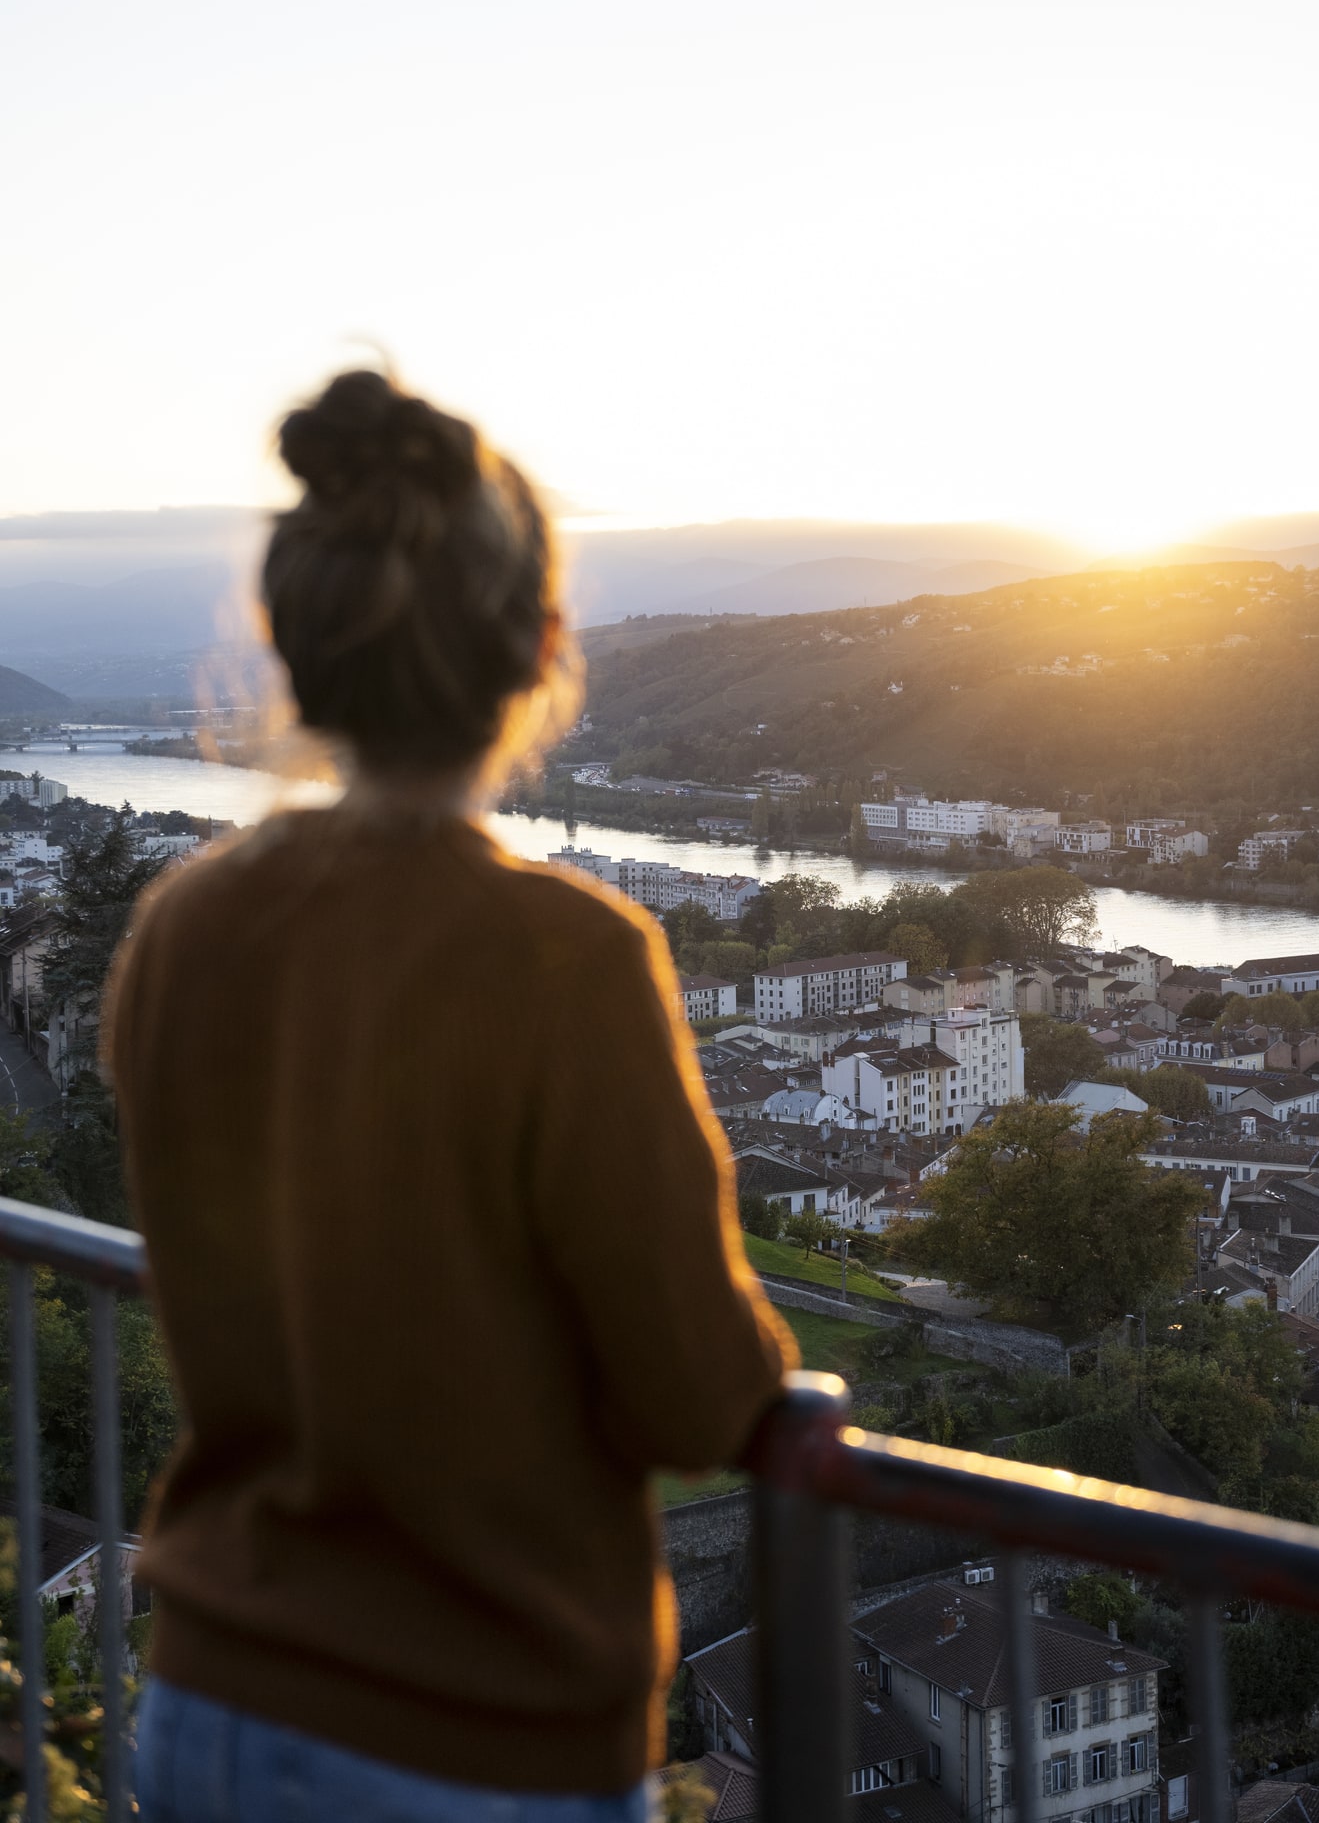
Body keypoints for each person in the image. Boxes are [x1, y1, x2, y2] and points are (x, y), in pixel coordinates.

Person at [104, 370, 794, 1823]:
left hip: (210, 1698)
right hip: (468, 1737)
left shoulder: (185, 926)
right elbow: (699, 1391)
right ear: (543, 648)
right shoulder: (569, 959)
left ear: (291, 649)